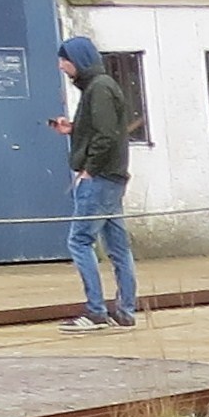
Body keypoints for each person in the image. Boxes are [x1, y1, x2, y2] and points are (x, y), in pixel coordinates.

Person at [53, 36, 137, 329]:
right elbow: (102, 128)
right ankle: (125, 311)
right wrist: (74, 129)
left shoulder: (99, 88)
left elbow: (105, 135)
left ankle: (96, 311)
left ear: (77, 59)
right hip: (112, 177)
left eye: (64, 60)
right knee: (118, 247)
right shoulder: (99, 87)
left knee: (79, 241)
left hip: (101, 178)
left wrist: (89, 169)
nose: (61, 66)